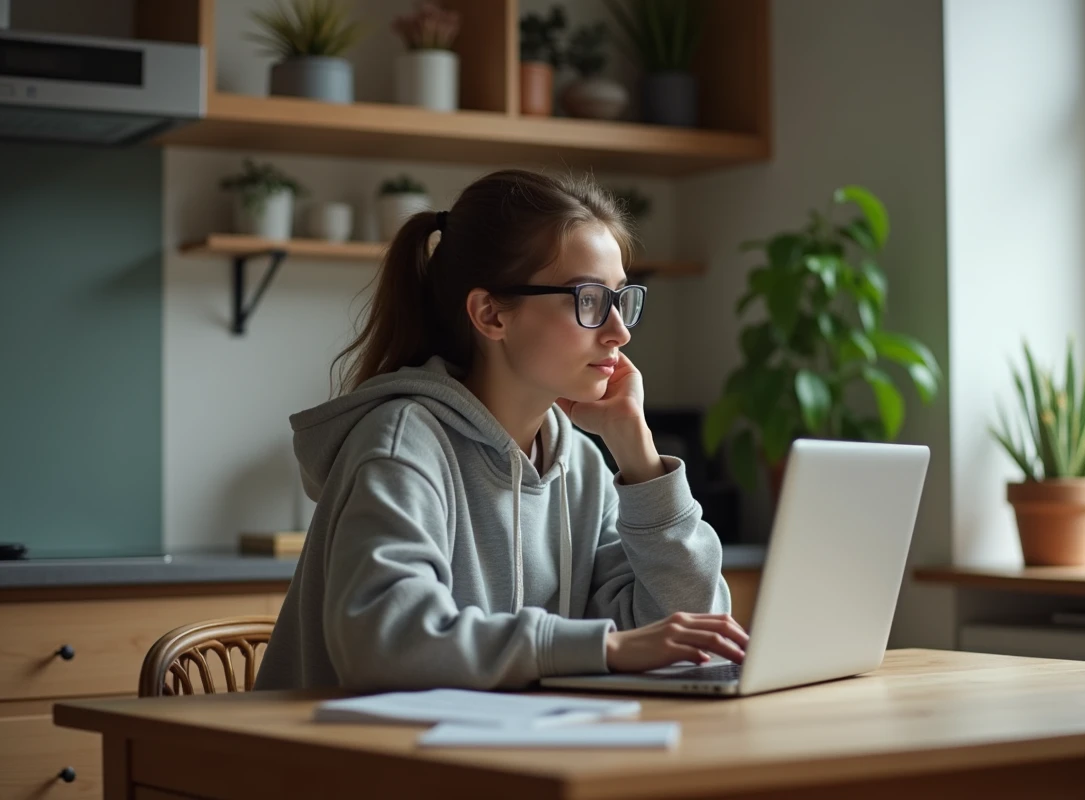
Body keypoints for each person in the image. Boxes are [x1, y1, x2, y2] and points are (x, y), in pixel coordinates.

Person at [255, 169, 747, 692]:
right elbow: (383, 641)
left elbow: (694, 632)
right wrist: (604, 647)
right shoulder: (403, 444)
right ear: (491, 314)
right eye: (588, 299)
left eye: (620, 299)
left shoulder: (580, 465)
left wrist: (640, 456)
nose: (619, 331)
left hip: (509, 739)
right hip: (353, 745)